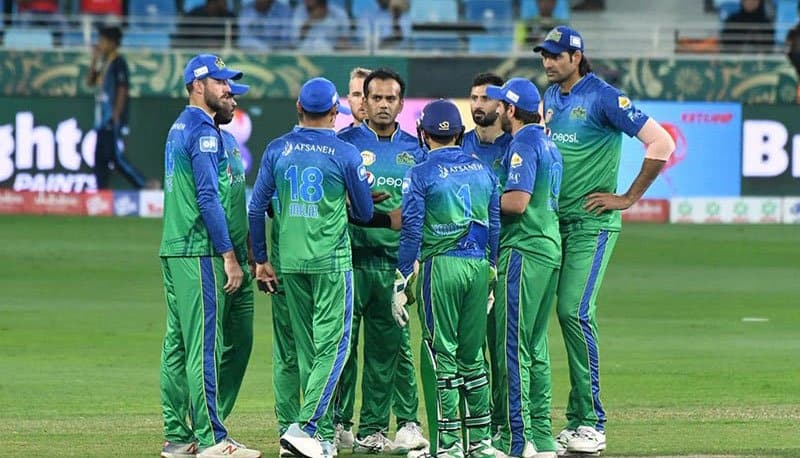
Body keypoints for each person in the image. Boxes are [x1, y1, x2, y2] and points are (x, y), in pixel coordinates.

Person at [533, 26, 674, 455]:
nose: (547, 62)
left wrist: (628, 198)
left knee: (574, 312)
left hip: (590, 225)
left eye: (555, 55)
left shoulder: (605, 97)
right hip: (552, 225)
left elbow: (662, 142)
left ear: (576, 57)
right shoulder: (550, 96)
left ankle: (592, 422)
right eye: (544, 55)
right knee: (542, 318)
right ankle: (565, 422)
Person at [248, 77, 374, 458]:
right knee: (334, 348)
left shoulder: (277, 148)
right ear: (335, 112)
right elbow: (365, 212)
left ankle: (308, 436)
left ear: (299, 109)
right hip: (330, 262)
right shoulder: (345, 152)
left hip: (288, 262)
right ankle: (307, 428)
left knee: (305, 350)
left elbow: (256, 208)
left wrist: (261, 260)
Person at [158, 53, 261, 458]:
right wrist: (229, 256)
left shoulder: (183, 128)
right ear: (198, 85)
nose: (228, 90)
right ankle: (212, 438)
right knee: (203, 346)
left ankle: (178, 434)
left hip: (177, 248)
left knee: (179, 345)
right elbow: (206, 196)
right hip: (198, 249)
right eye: (221, 82)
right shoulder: (201, 129)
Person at [394, 99, 500, 458]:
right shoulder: (483, 170)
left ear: (423, 134)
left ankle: (449, 446)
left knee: (443, 355)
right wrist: (492, 270)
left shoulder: (420, 173)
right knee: (473, 356)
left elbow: (411, 230)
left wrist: (401, 278)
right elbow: (494, 225)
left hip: (440, 267)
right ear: (460, 133)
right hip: (478, 266)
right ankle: (481, 443)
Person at [335, 68, 428, 455]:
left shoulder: (417, 152)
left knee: (383, 354)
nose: (383, 105)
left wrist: (416, 258)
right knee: (341, 349)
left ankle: (372, 430)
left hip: (393, 267)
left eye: (391, 98)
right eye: (376, 98)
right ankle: (337, 425)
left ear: (401, 104)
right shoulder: (343, 145)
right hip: (349, 262)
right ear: (365, 101)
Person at [485, 77, 563, 458]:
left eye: (500, 105)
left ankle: (516, 439)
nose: (496, 110)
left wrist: (478, 200)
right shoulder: (549, 143)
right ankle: (542, 436)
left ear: (511, 110)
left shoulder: (523, 143)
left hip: (523, 250)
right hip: (548, 248)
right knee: (535, 346)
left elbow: (516, 203)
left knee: (512, 347)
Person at [86, 25, 148, 190]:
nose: (100, 44)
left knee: (115, 157)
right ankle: (101, 192)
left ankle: (144, 185)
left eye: (103, 41)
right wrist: (94, 59)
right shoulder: (104, 62)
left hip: (111, 118)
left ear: (113, 43)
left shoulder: (118, 62)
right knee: (100, 157)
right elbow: (90, 82)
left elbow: (122, 89)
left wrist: (116, 114)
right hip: (101, 118)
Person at [463, 72, 513, 175]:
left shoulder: (513, 146)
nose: (477, 105)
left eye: (485, 98)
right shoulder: (460, 144)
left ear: (500, 105)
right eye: (474, 98)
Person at [339, 67, 372, 135]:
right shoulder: (339, 138)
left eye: (367, 94)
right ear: (349, 100)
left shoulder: (393, 139)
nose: (362, 101)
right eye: (357, 95)